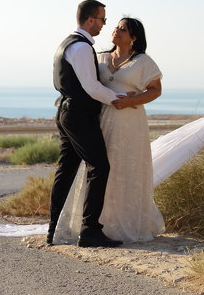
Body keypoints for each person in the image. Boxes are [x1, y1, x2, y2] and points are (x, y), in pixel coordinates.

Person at [52, 16, 165, 244]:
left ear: (134, 38)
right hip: (102, 119)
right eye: (116, 27)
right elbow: (89, 84)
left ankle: (125, 222)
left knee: (126, 168)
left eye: (123, 29)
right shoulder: (100, 57)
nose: (116, 31)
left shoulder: (143, 61)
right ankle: (95, 223)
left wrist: (132, 100)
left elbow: (155, 90)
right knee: (101, 169)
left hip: (130, 122)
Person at [48, 0, 125, 248]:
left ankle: (55, 230)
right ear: (91, 20)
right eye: (103, 19)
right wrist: (118, 99)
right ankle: (90, 230)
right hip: (79, 115)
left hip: (67, 112)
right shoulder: (81, 48)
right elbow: (91, 87)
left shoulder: (66, 43)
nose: (104, 25)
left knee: (66, 169)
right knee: (99, 167)